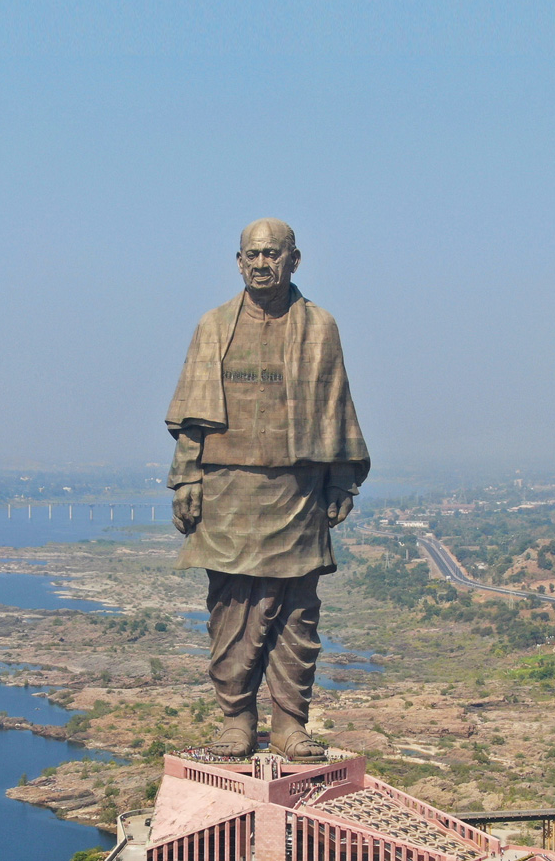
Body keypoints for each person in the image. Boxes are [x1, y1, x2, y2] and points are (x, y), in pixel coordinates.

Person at [164, 217, 369, 759]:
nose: (261, 263)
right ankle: (237, 717)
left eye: (272, 254)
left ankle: (288, 722)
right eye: (251, 255)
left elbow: (335, 406)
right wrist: (187, 476)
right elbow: (191, 418)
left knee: (297, 611)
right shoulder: (214, 325)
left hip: (297, 491)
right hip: (228, 488)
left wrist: (341, 480)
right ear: (238, 261)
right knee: (231, 607)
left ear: (293, 260)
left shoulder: (320, 326)